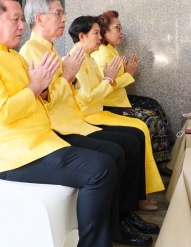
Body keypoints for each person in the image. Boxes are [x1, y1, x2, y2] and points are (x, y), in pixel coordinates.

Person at [0, 0, 145, 247]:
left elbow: (41, 99)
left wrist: (46, 87)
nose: (22, 25)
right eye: (15, 19)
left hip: (37, 143)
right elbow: (3, 112)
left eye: (21, 19)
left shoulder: (9, 55)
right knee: (100, 169)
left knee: (107, 160)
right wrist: (37, 86)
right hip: (10, 155)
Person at [20, 0, 159, 239]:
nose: (64, 19)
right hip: (60, 127)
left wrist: (73, 79)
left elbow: (63, 93)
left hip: (75, 121)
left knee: (131, 140)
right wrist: (71, 78)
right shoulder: (31, 51)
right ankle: (117, 220)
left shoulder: (51, 51)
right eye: (58, 13)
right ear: (40, 19)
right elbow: (46, 99)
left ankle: (124, 214)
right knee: (120, 148)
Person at [67, 16, 165, 204]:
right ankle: (133, 200)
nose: (100, 37)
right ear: (82, 36)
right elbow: (86, 98)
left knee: (139, 130)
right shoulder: (76, 60)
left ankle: (138, 196)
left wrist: (110, 79)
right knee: (135, 136)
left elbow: (100, 89)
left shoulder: (89, 58)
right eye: (96, 33)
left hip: (98, 112)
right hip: (88, 117)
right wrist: (109, 79)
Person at [93, 11, 174, 166]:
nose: (121, 32)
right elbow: (107, 86)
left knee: (153, 104)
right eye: (117, 28)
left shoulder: (110, 49)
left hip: (119, 99)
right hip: (109, 105)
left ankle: (168, 151)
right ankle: (159, 164)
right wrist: (128, 74)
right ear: (104, 31)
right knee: (152, 119)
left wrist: (125, 71)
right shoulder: (103, 55)